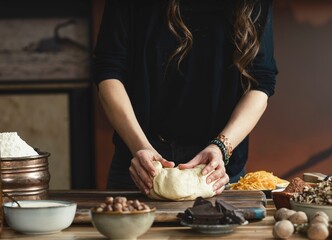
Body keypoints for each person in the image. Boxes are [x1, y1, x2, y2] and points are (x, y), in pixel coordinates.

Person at [93, 0, 278, 196]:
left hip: (217, 169)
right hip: (141, 163)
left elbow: (261, 83)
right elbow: (108, 72)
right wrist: (139, 146)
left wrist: (221, 147)